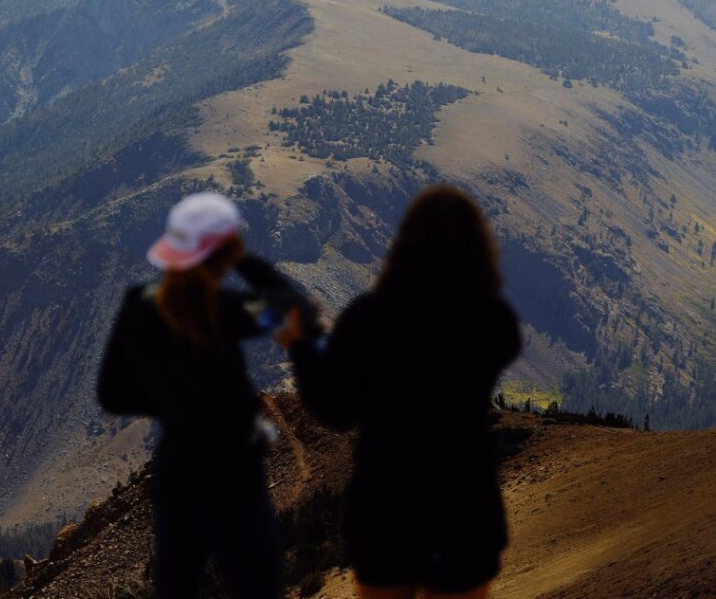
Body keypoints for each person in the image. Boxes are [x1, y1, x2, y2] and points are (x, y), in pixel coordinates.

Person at [278, 185, 522, 599]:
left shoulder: (367, 318)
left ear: (405, 244)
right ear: (477, 248)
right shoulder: (491, 320)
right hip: (463, 505)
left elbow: (335, 411)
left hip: (385, 508)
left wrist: (301, 347)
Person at [98, 191, 306, 599]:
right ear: (222, 251)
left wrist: (172, 403)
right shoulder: (228, 310)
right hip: (236, 478)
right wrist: (245, 261)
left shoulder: (140, 308)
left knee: (176, 588)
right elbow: (294, 308)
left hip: (178, 474)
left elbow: (112, 394)